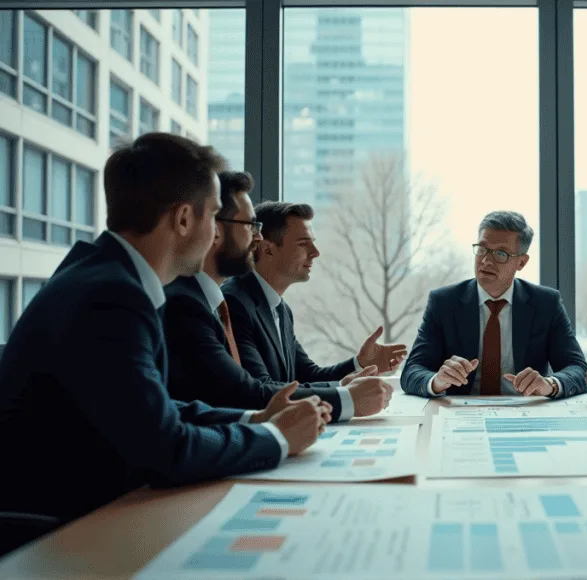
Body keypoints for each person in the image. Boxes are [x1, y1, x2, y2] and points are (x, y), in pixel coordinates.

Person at [0, 134, 325, 521]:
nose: (215, 234)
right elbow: (167, 448)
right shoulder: (111, 297)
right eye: (212, 216)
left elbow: (155, 409)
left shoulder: (105, 276)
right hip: (62, 535)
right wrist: (277, 438)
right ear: (185, 218)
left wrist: (252, 420)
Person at [164, 171, 392, 421]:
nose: (258, 237)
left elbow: (302, 376)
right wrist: (345, 398)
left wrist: (353, 372)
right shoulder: (211, 303)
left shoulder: (271, 308)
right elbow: (247, 393)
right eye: (251, 226)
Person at [223, 202, 406, 393]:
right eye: (303, 243)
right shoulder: (234, 303)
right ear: (267, 249)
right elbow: (263, 390)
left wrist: (359, 363)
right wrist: (345, 393)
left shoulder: (280, 309)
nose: (315, 252)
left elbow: (309, 376)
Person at [401, 211, 587, 398]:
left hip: (526, 412)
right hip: (460, 413)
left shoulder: (546, 303)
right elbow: (412, 370)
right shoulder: (444, 302)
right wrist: (437, 381)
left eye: (501, 253)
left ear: (521, 262)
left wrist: (550, 385)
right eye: (482, 249)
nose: (486, 261)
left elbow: (578, 369)